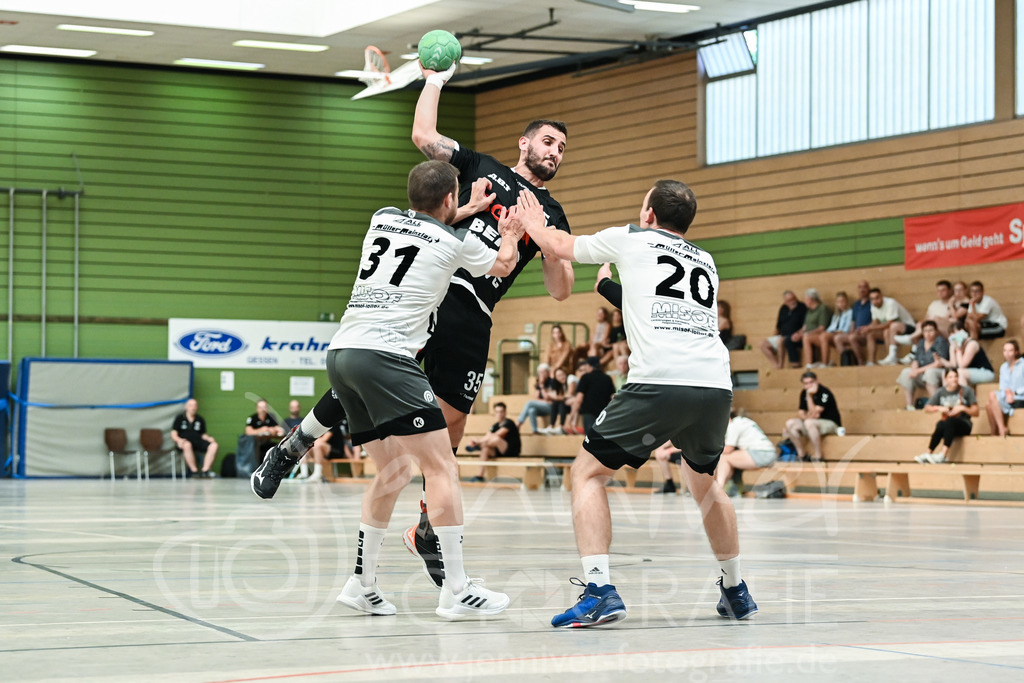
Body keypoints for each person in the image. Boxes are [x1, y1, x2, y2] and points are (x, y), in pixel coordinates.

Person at [253, 160, 521, 620]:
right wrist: (512, 231)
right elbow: (502, 263)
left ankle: (361, 583)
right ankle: (457, 590)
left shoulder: (382, 218)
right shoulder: (455, 244)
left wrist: (462, 207)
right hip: (388, 360)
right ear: (452, 199)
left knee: (393, 472)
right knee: (442, 469)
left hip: (341, 355)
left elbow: (426, 222)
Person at [519, 180, 757, 628]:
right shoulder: (705, 260)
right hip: (714, 385)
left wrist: (533, 221)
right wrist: (612, 291)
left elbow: (559, 245)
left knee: (587, 472)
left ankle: (599, 590)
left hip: (661, 381)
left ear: (648, 214)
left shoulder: (631, 236)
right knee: (704, 482)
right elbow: (657, 306)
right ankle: (735, 589)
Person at [914, 368, 979, 463]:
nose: (954, 379)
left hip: (964, 424)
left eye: (956, 376)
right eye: (950, 377)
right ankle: (928, 452)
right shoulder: (941, 392)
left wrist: (963, 408)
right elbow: (927, 408)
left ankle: (943, 455)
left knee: (949, 422)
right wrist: (938, 408)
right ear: (946, 379)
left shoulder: (966, 391)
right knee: (940, 424)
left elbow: (976, 412)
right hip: (948, 424)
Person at [782, 371, 842, 462]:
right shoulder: (804, 393)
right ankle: (802, 455)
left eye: (811, 382)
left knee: (809, 422)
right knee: (790, 423)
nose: (809, 386)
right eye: (806, 383)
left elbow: (814, 413)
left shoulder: (824, 392)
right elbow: (801, 412)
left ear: (817, 381)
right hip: (812, 423)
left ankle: (818, 456)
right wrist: (807, 417)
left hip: (830, 423)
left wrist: (809, 396)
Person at [714, 412, 777, 496]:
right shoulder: (743, 421)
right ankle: (729, 487)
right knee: (732, 460)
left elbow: (728, 449)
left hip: (761, 454)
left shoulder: (733, 425)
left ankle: (718, 487)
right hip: (768, 453)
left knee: (725, 457)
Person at [895, 320, 949, 410]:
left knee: (930, 372)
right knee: (906, 372)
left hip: (939, 372)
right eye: (925, 331)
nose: (928, 333)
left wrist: (918, 371)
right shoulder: (921, 342)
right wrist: (914, 369)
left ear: (936, 331)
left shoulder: (940, 342)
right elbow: (916, 360)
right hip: (922, 372)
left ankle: (936, 404)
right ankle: (909, 405)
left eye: (931, 331)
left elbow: (938, 364)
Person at [464, 401, 521, 482]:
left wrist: (478, 441)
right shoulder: (494, 426)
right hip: (498, 451)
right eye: (497, 412)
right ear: (495, 413)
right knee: (485, 449)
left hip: (511, 451)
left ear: (505, 412)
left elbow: (497, 435)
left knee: (496, 439)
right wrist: (480, 441)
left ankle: (478, 445)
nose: (499, 414)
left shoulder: (509, 423)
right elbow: (488, 435)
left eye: (501, 412)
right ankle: (480, 476)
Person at [862, 287, 916, 365]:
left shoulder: (890, 302)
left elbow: (890, 323)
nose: (875, 301)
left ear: (881, 296)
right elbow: (875, 322)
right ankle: (871, 361)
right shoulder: (873, 306)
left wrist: (870, 328)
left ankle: (892, 357)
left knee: (887, 331)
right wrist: (866, 329)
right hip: (893, 330)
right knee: (870, 334)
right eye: (872, 299)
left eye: (877, 298)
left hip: (908, 328)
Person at [985, 340, 1024, 438]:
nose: (1007, 353)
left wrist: (1015, 392)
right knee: (988, 404)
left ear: (1016, 352)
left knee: (992, 395)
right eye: (1005, 350)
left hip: (1020, 396)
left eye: (1010, 350)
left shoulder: (1023, 365)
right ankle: (996, 430)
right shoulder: (1003, 367)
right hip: (1008, 397)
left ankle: (1001, 430)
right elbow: (1003, 387)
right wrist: (1007, 393)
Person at [758, 290, 807, 369]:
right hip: (782, 335)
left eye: (794, 298)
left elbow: (806, 324)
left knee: (781, 341)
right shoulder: (783, 308)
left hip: (795, 335)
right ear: (785, 302)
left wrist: (799, 333)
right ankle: (775, 365)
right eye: (790, 300)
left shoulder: (802, 307)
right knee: (762, 344)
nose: (793, 301)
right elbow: (778, 325)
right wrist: (775, 334)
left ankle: (780, 366)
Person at [171, 398, 219, 478]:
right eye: (190, 405)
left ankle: (205, 470)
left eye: (195, 405)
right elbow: (173, 433)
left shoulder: (200, 419)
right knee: (187, 445)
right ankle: (194, 471)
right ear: (186, 407)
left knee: (214, 445)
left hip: (197, 441)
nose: (193, 407)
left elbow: (203, 434)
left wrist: (209, 438)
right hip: (184, 442)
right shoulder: (180, 418)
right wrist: (178, 440)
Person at [897, 279, 953, 344]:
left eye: (943, 290)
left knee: (932, 321)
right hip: (932, 329)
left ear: (949, 290)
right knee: (919, 325)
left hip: (946, 330)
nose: (940, 292)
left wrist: (936, 319)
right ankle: (915, 349)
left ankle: (910, 338)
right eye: (938, 290)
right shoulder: (934, 303)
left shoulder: (953, 303)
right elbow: (926, 318)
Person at [833, 280, 872, 366]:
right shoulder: (856, 304)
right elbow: (853, 320)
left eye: (864, 287)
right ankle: (847, 360)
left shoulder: (871, 302)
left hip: (867, 332)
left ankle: (860, 361)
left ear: (868, 289)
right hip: (856, 332)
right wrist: (852, 330)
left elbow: (876, 320)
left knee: (852, 338)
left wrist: (866, 328)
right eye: (860, 287)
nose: (862, 289)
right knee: (838, 338)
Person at [946, 321, 995, 388]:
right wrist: (941, 360)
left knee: (960, 373)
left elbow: (962, 365)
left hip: (985, 372)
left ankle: (965, 397)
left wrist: (958, 350)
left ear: (962, 331)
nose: (952, 337)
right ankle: (948, 397)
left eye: (954, 333)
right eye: (950, 334)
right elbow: (953, 364)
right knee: (947, 374)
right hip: (970, 372)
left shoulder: (972, 344)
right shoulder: (955, 345)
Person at [574, 357, 616, 433]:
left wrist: (572, 418)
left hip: (589, 414)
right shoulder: (607, 378)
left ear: (589, 366)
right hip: (603, 414)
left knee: (590, 439)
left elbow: (579, 398)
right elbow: (613, 397)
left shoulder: (585, 377)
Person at [515, 363, 555, 434]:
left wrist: (542, 386)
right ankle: (535, 430)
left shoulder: (552, 382)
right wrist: (544, 400)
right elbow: (536, 399)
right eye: (540, 372)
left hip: (552, 407)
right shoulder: (538, 383)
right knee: (531, 410)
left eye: (543, 372)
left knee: (529, 403)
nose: (541, 374)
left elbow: (548, 397)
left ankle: (519, 423)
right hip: (543, 406)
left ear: (548, 372)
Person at [817, 291, 853, 368]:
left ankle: (825, 363)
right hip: (834, 332)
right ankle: (829, 361)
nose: (841, 304)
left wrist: (834, 332)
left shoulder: (850, 312)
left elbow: (847, 328)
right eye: (839, 302)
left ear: (846, 301)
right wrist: (828, 332)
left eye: (842, 301)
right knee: (823, 336)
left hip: (843, 333)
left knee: (824, 337)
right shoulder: (836, 314)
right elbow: (832, 327)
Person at [799, 288, 831, 368]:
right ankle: (809, 364)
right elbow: (805, 326)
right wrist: (798, 334)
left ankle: (824, 363)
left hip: (821, 335)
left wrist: (809, 333)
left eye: (805, 299)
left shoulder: (822, 308)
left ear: (810, 299)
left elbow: (822, 327)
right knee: (804, 336)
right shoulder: (809, 311)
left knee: (807, 337)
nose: (804, 301)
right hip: (810, 334)